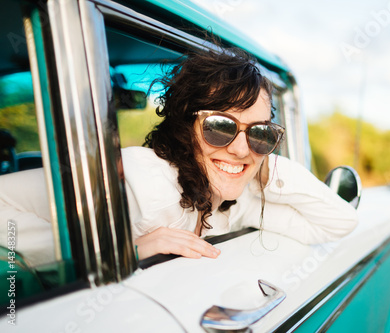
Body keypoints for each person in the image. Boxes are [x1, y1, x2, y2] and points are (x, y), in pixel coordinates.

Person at [124, 47, 358, 260]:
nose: (241, 149)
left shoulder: (236, 203)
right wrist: (131, 252)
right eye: (220, 126)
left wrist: (263, 165)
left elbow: (340, 222)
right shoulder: (142, 180)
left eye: (260, 133)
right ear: (185, 126)